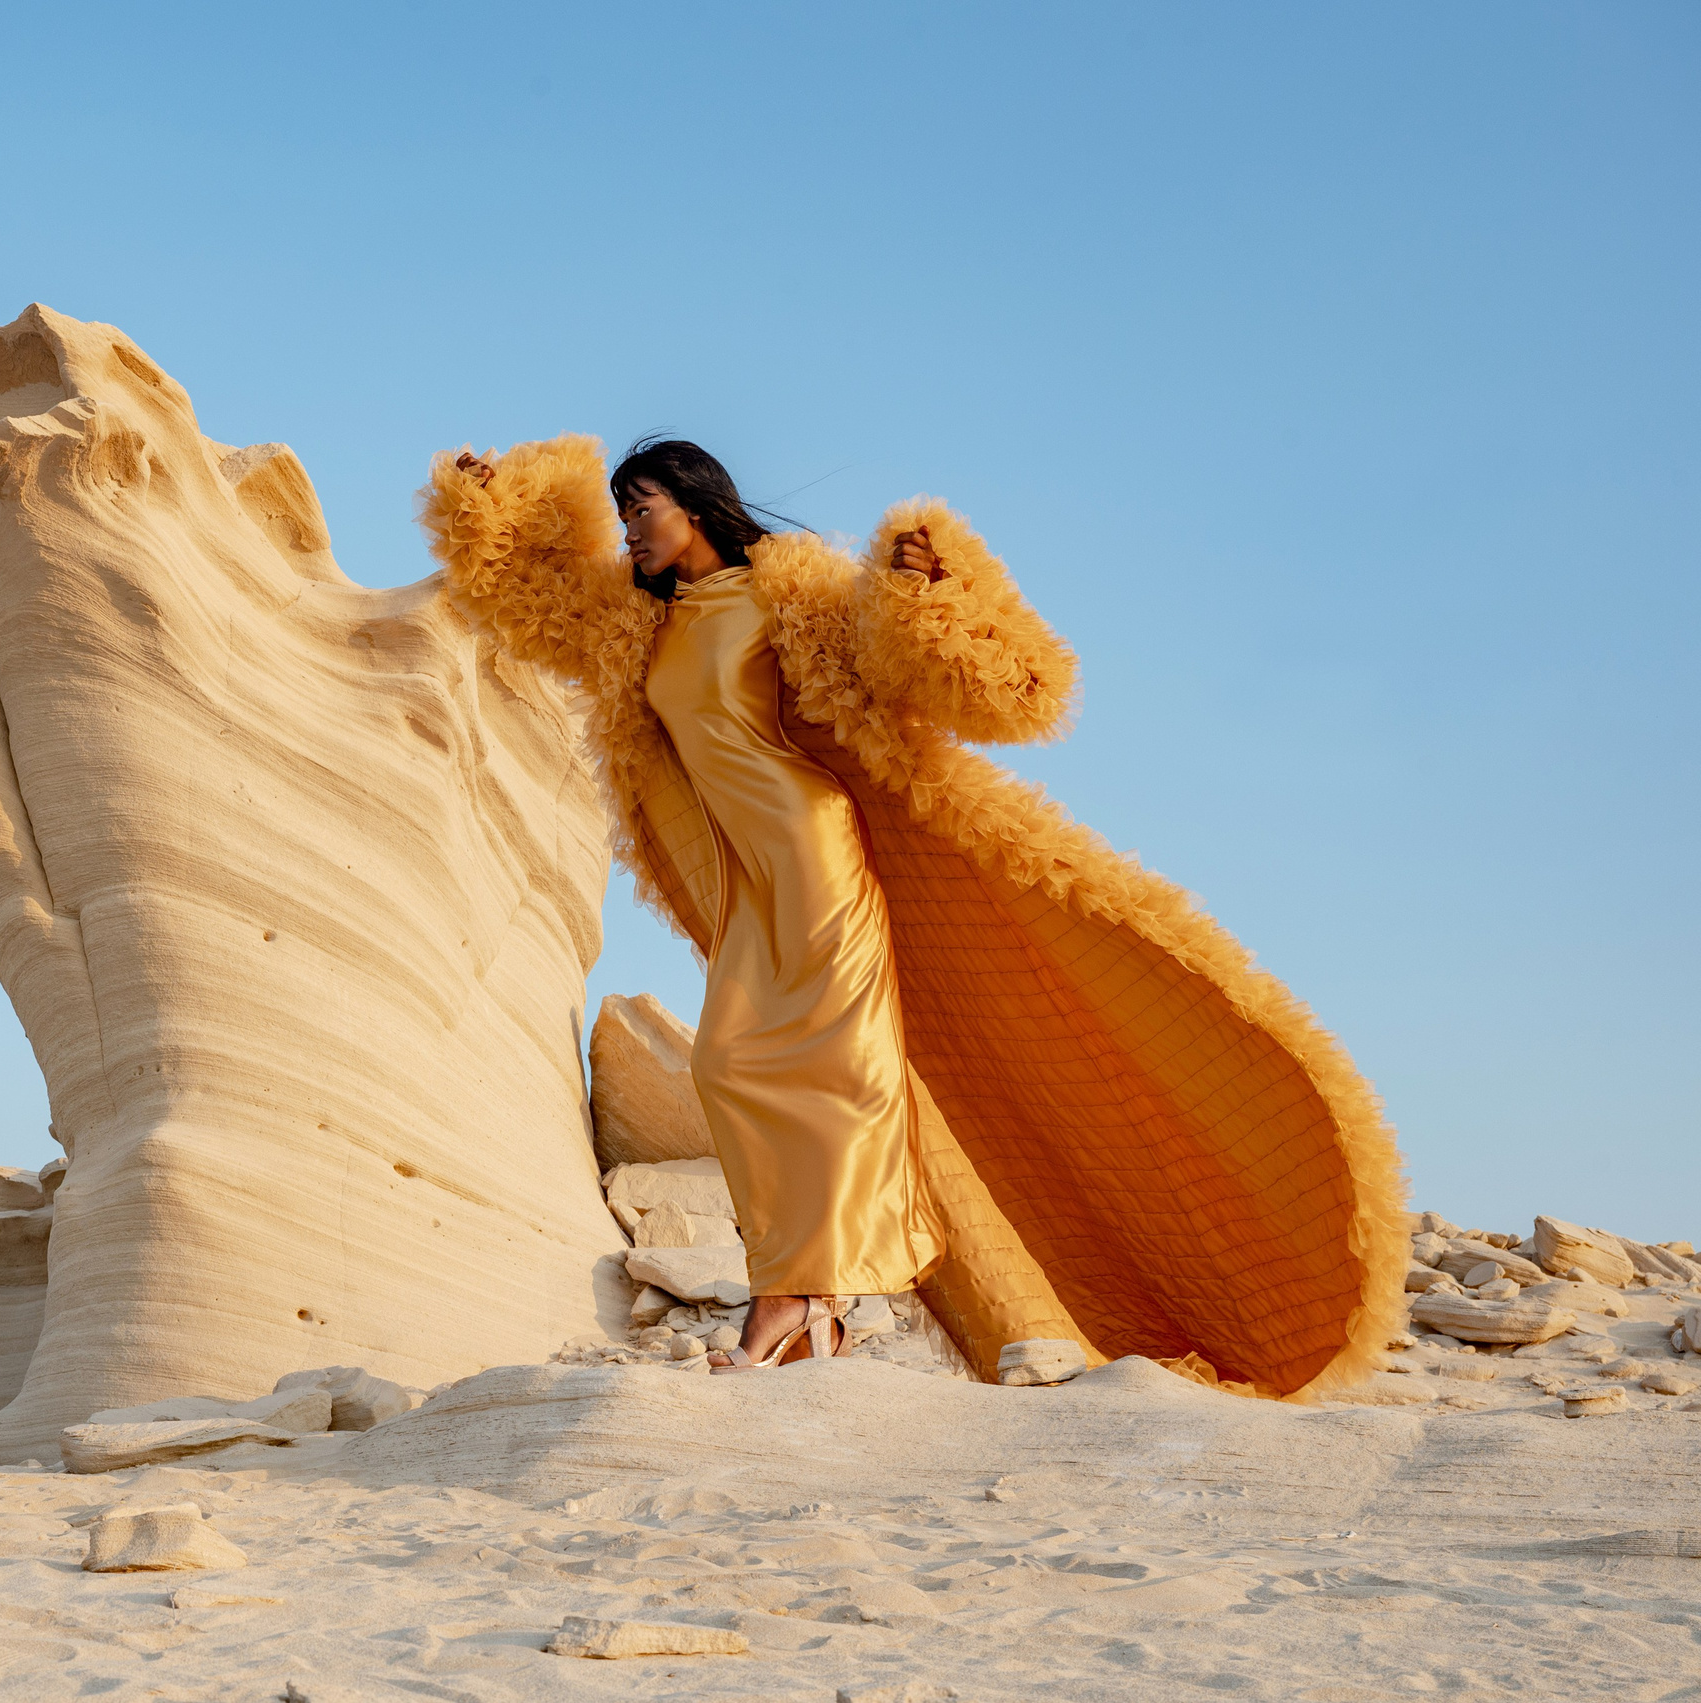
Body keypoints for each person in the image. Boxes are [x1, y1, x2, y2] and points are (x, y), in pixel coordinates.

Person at [419, 434, 1403, 1395]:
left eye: (642, 508)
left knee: (841, 1066)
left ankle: (795, 1301)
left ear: (695, 502)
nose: (629, 527)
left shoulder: (784, 588)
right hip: (740, 874)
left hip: (813, 848)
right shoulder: (636, 622)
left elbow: (894, 655)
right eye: (622, 509)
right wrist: (488, 500)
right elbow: (528, 600)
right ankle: (808, 1304)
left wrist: (923, 581)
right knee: (727, 1061)